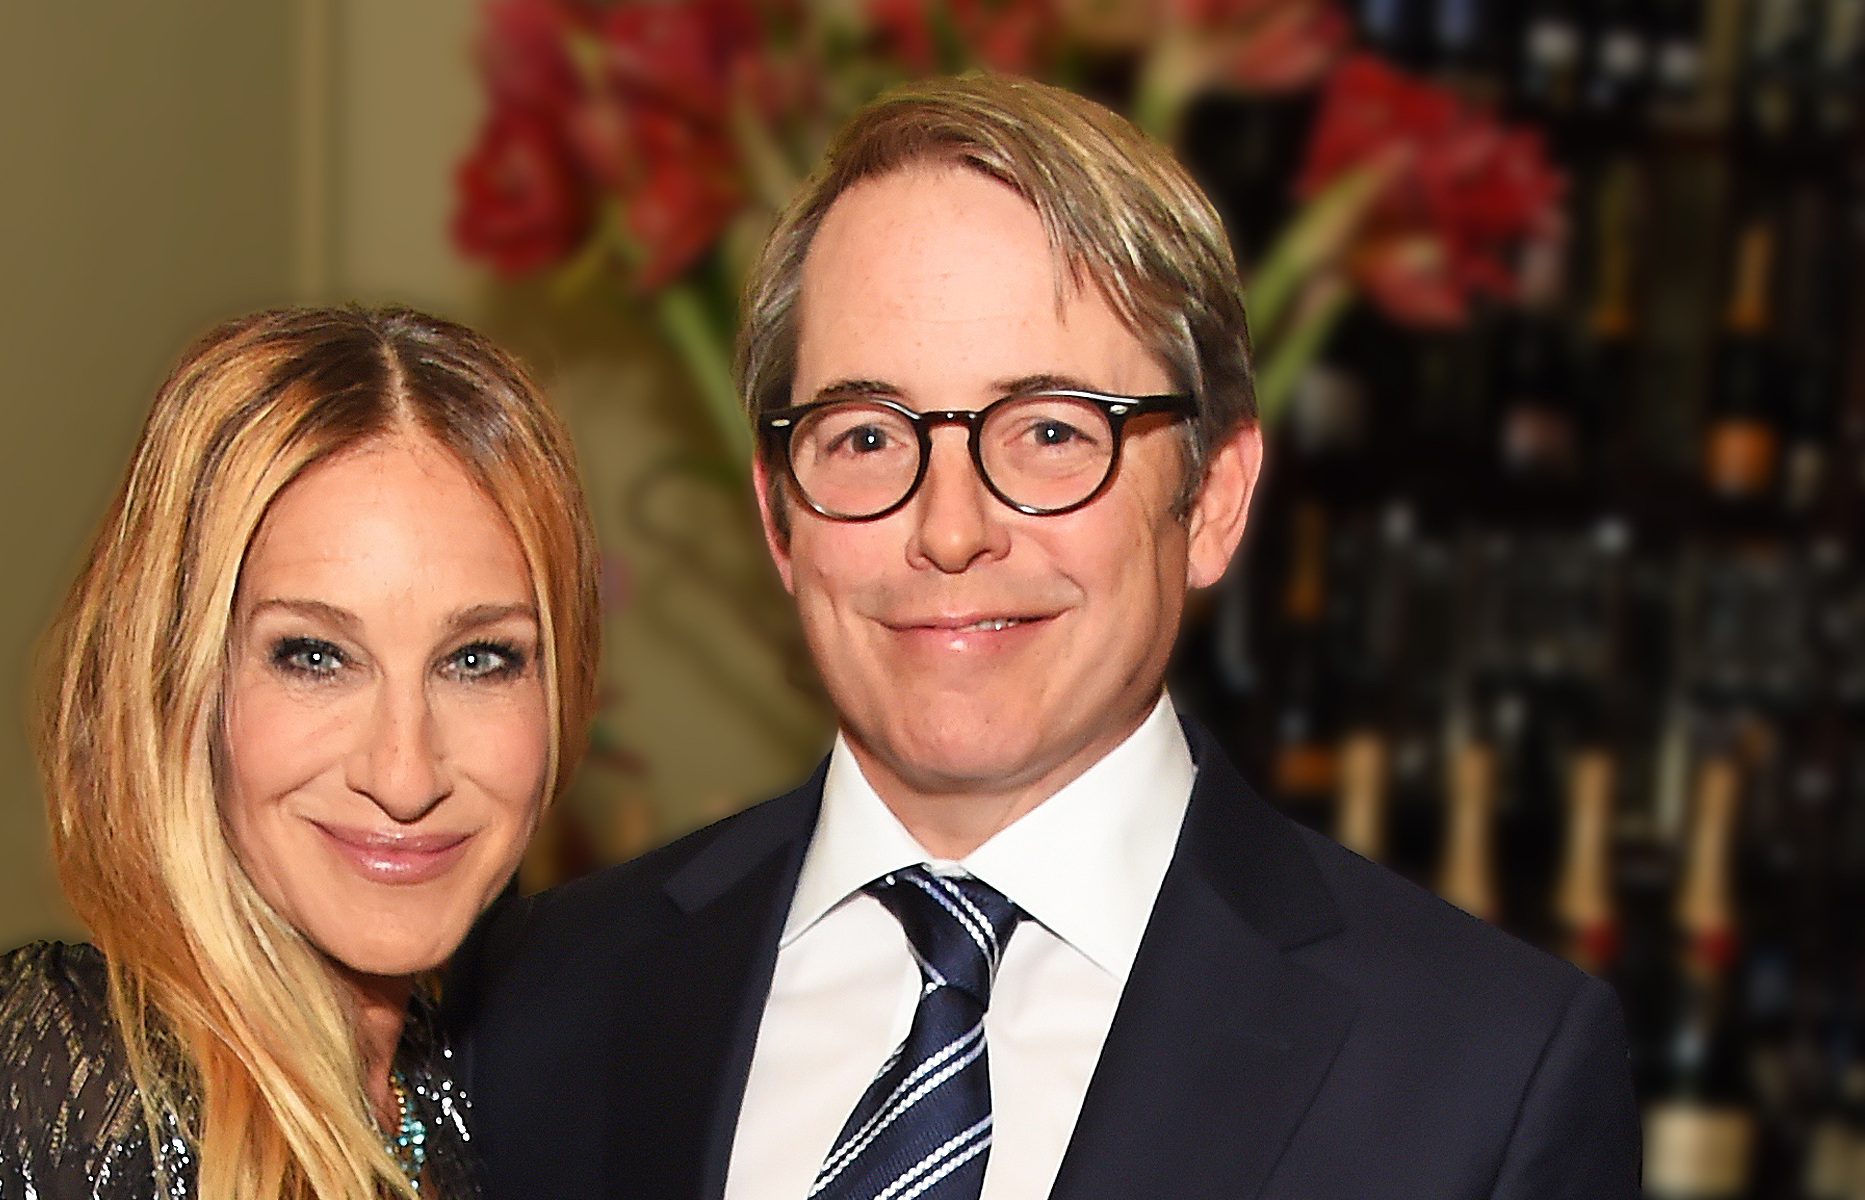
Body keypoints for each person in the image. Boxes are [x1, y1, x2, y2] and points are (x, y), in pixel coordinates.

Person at [446, 75, 1640, 1200]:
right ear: (779, 516)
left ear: (1213, 499)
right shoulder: (538, 994)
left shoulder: (1482, 1078)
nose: (950, 529)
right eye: (866, 437)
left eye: (1053, 433)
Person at [0, 306, 599, 1200]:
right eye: (314, 656)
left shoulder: (467, 1089)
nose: (405, 773)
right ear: (180, 680)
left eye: (478, 659)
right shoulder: (71, 1093)